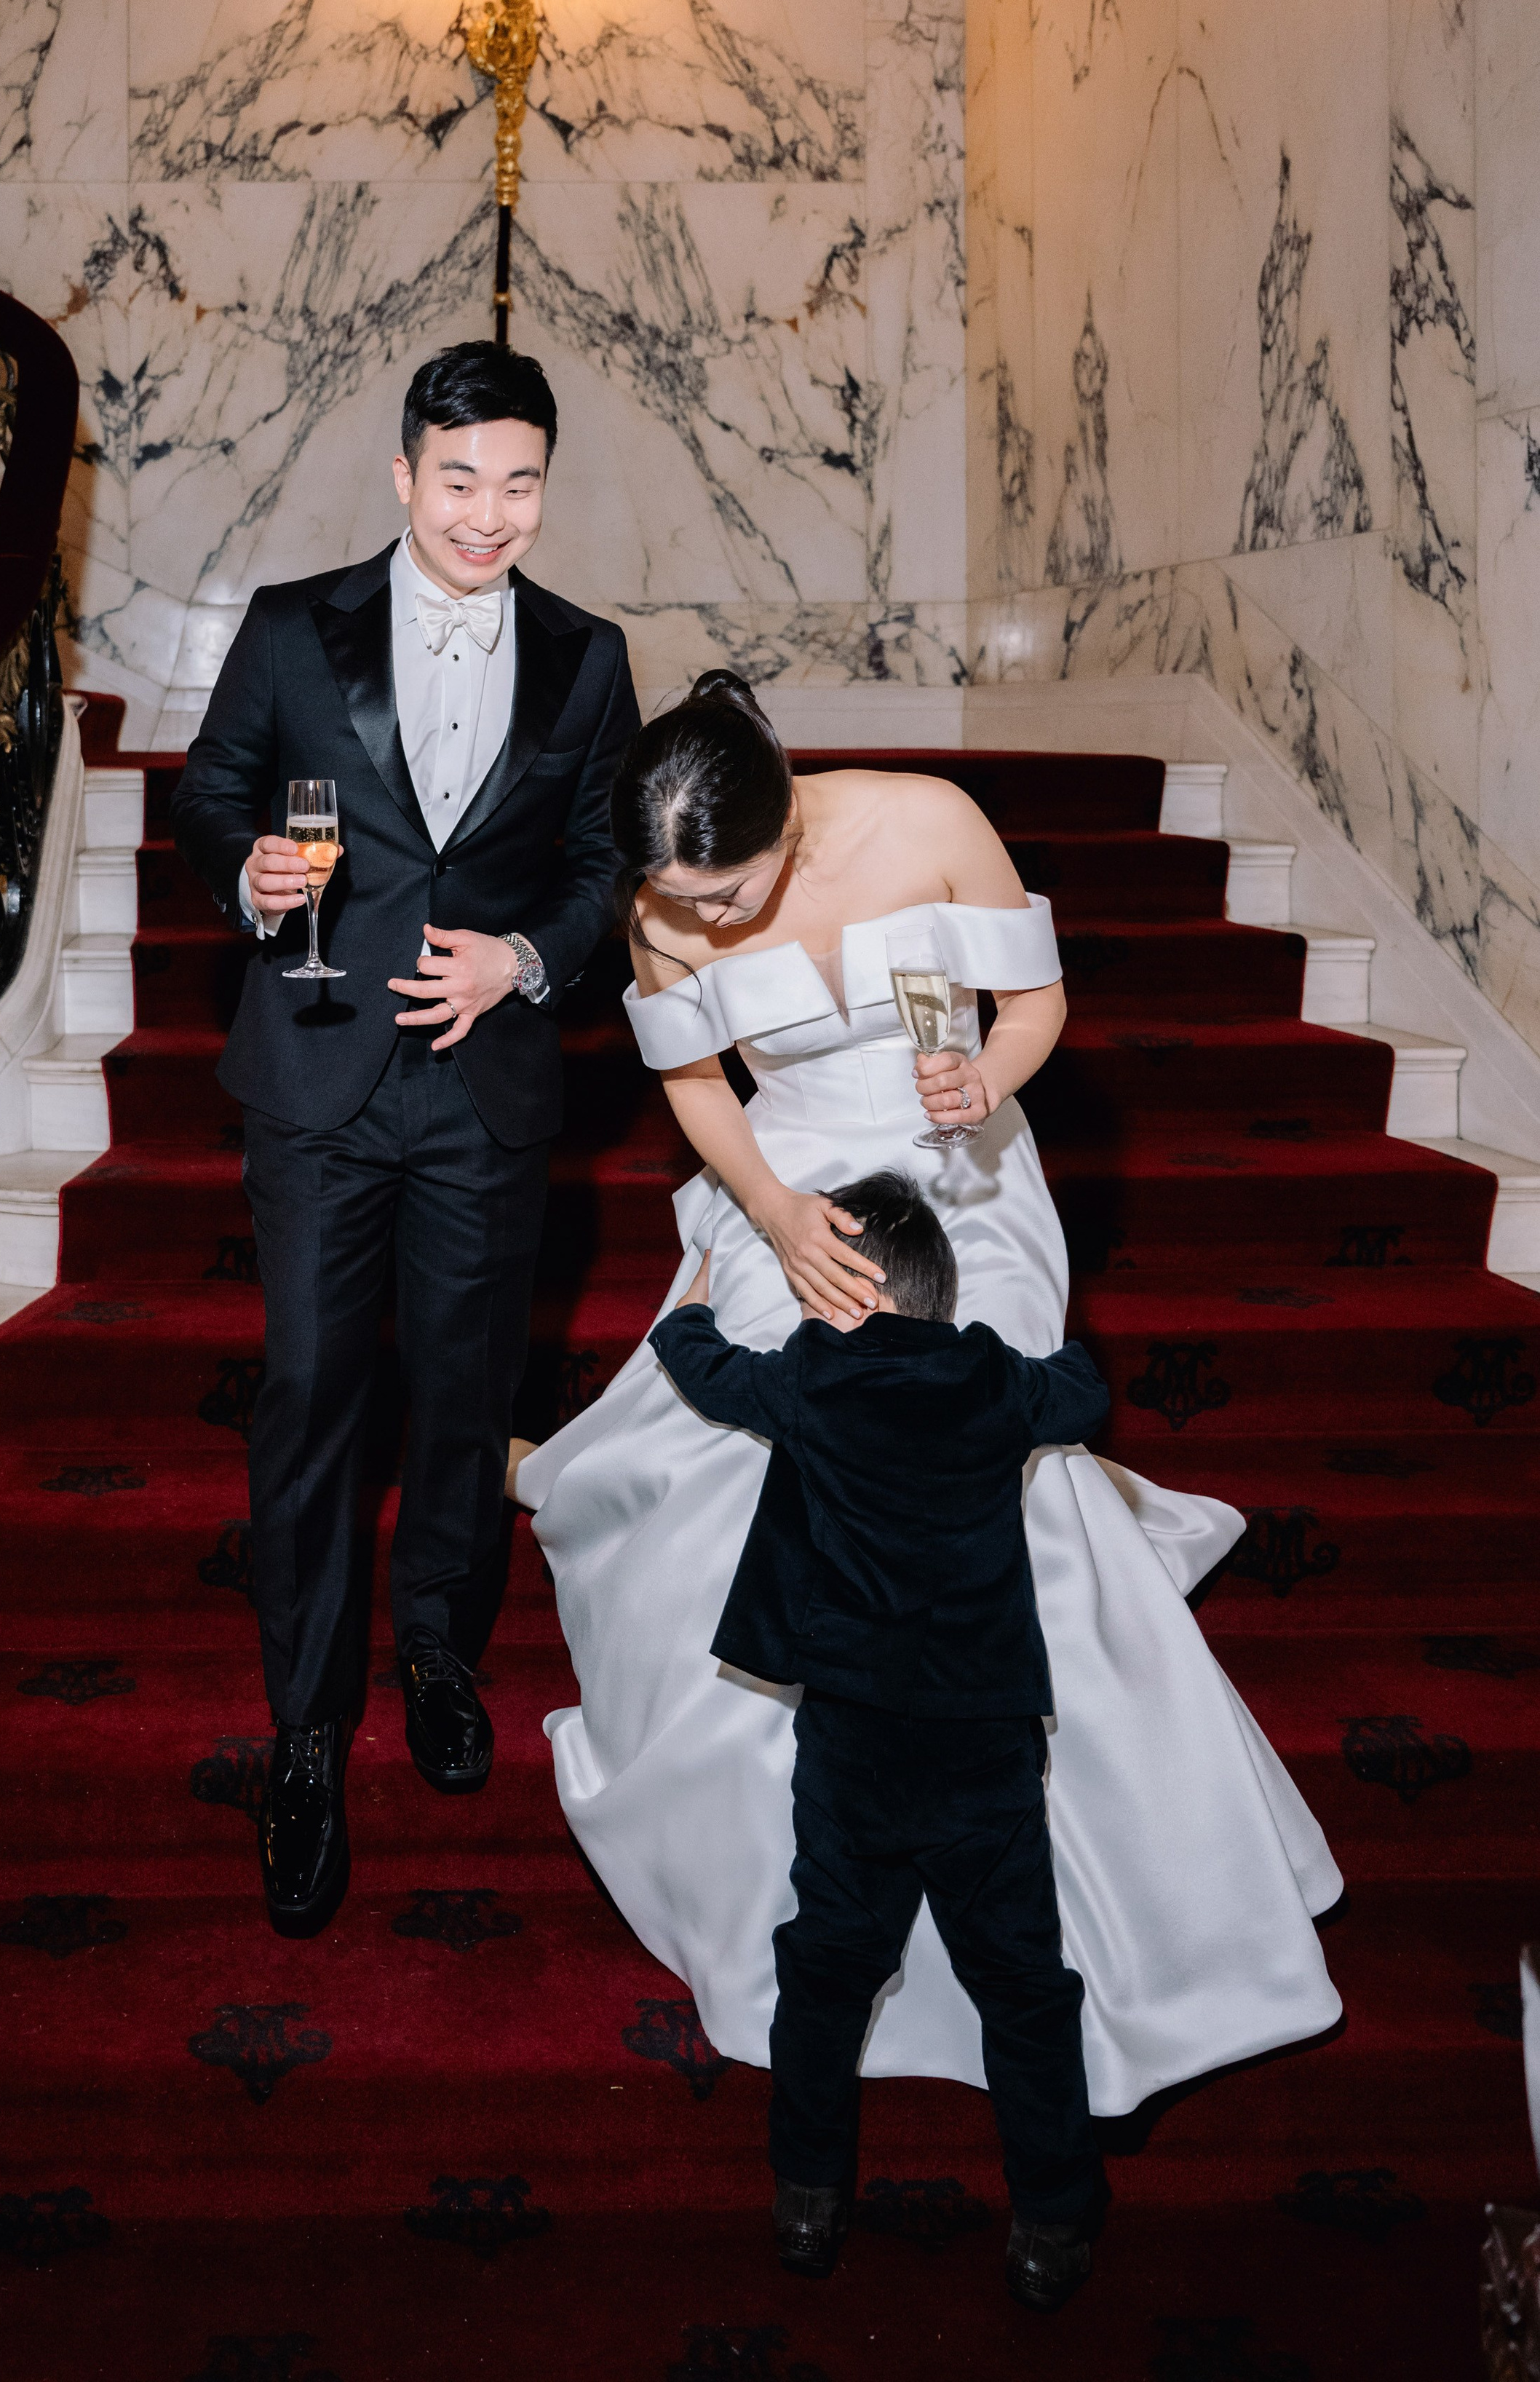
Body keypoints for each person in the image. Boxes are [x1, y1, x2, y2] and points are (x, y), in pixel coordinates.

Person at [513, 670, 1343, 2127]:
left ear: (787, 813)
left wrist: (989, 1075)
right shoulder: (664, 907)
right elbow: (697, 1080)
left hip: (961, 1171)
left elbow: (1032, 1002)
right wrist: (766, 1214)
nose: (704, 924)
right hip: (797, 1180)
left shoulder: (927, 821)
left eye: (731, 891)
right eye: (682, 902)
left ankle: (1133, 1903)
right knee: (751, 1444)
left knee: (986, 1463)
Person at [171, 342, 638, 1939]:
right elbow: (209, 789)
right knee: (308, 1391)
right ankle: (303, 1737)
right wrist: (246, 878)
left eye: (517, 483)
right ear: (402, 474)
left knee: (463, 1391)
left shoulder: (587, 659)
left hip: (484, 1084)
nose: (487, 514)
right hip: (314, 1072)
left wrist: (530, 960)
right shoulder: (295, 628)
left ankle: (437, 1644)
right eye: (458, 480)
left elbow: (602, 865)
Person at [651, 1171, 1111, 2311]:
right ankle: (1052, 2219)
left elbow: (705, 1372)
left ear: (841, 1295)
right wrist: (1043, 1320)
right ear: (940, 1294)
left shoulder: (811, 1379)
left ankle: (808, 2198)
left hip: (855, 1742)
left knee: (826, 1966)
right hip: (984, 1746)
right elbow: (1084, 1392)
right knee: (1023, 1983)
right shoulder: (994, 1379)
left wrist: (689, 1306)